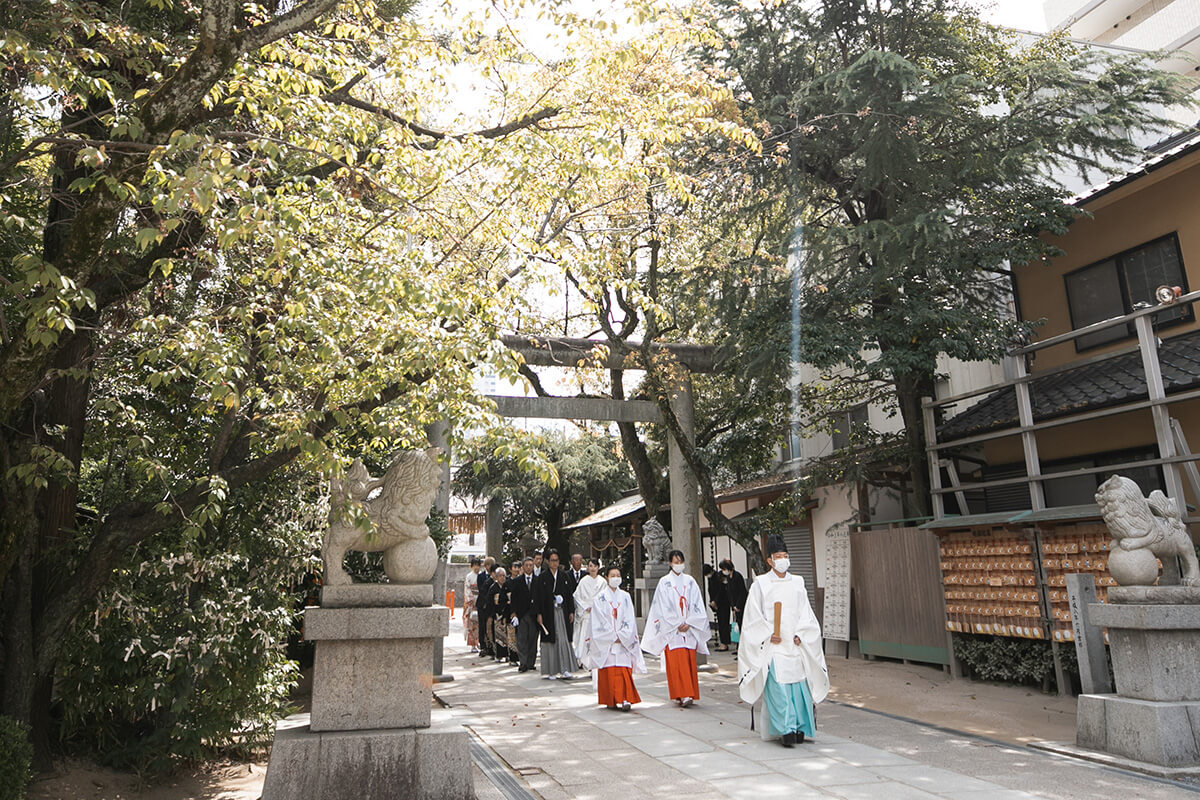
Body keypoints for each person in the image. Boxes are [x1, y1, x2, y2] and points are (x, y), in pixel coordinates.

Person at [736, 534, 828, 748]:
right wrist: (768, 633)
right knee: (779, 689)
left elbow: (806, 611)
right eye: (779, 556)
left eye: (786, 555)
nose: (783, 560)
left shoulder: (798, 582)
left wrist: (802, 633)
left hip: (795, 642)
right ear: (769, 560)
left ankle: (800, 728)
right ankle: (785, 730)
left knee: (799, 688)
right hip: (774, 644)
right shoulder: (761, 584)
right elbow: (752, 617)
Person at [641, 550, 710, 707]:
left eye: (680, 562)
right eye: (675, 562)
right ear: (670, 563)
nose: (678, 565)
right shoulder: (664, 582)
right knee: (676, 662)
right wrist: (677, 623)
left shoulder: (690, 581)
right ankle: (682, 694)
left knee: (688, 661)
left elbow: (697, 603)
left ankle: (688, 693)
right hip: (673, 630)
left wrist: (689, 621)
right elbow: (662, 607)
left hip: (689, 629)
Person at [581, 564, 646, 711]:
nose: (615, 578)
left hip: (623, 640)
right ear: (607, 578)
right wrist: (611, 636)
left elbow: (630, 618)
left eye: (618, 575)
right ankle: (610, 699)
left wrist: (622, 635)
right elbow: (598, 621)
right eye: (612, 576)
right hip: (607, 641)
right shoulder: (600, 598)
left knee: (623, 669)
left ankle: (625, 698)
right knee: (609, 670)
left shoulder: (625, 597)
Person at [534, 549, 576, 679]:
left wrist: (571, 611)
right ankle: (551, 670)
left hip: (561, 612)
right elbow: (538, 597)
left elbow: (569, 595)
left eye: (557, 560)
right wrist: (539, 613)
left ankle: (564, 668)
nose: (555, 563)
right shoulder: (542, 577)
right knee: (550, 641)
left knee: (563, 639)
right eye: (552, 560)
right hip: (548, 613)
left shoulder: (564, 576)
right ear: (547, 561)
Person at [571, 558, 604, 664]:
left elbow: (604, 598)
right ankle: (582, 659)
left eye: (595, 566)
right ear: (587, 568)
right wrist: (585, 606)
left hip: (597, 614)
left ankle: (595, 660)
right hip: (586, 613)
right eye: (590, 566)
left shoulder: (602, 582)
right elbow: (577, 596)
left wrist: (596, 607)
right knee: (584, 636)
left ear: (598, 567)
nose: (593, 568)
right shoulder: (584, 581)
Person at [509, 557, 539, 672]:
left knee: (533, 639)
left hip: (534, 614)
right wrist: (514, 614)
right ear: (523, 567)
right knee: (522, 640)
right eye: (526, 565)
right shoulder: (517, 581)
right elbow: (514, 599)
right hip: (522, 614)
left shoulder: (537, 580)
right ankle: (523, 662)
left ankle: (531, 662)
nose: (528, 567)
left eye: (531, 565)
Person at [488, 567, 513, 661]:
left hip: (507, 613)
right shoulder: (493, 588)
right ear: (497, 577)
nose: (502, 578)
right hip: (497, 613)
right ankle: (498, 655)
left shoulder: (507, 585)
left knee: (508, 635)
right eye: (500, 576)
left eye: (504, 576)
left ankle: (507, 655)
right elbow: (490, 602)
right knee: (498, 636)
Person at [721, 558, 748, 647]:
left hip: (741, 605)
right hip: (734, 605)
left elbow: (742, 592)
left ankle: (743, 647)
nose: (723, 571)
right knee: (737, 626)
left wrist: (738, 605)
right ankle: (738, 647)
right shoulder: (729, 577)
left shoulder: (737, 576)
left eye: (724, 569)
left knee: (742, 626)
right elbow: (729, 593)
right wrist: (733, 606)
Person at [706, 562, 731, 651]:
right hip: (716, 603)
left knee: (724, 623)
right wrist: (712, 601)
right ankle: (723, 642)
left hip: (723, 603)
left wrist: (715, 601)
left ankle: (725, 643)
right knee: (721, 623)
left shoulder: (718, 576)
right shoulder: (711, 578)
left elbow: (721, 591)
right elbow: (710, 590)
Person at [476, 557, 496, 657]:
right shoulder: (481, 576)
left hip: (491, 605)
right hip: (482, 604)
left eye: (490, 565)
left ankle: (491, 646)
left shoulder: (497, 576)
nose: (488, 567)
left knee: (491, 625)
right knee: (482, 625)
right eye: (486, 565)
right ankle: (483, 646)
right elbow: (481, 589)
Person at [464, 557, 482, 652]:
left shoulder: (482, 575)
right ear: (472, 566)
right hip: (472, 601)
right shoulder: (469, 576)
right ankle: (473, 645)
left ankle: (479, 641)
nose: (476, 567)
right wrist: (471, 600)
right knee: (472, 624)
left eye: (478, 565)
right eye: (475, 565)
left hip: (480, 600)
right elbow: (467, 589)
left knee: (480, 623)